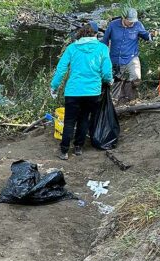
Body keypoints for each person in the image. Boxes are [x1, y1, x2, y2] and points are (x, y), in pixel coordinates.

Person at [50, 21, 113, 160]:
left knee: (69, 121)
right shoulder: (102, 49)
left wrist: (54, 86)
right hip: (92, 92)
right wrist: (109, 80)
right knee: (84, 119)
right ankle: (78, 147)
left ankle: (64, 151)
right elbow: (106, 72)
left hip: (73, 91)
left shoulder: (72, 48)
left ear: (82, 32)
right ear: (96, 34)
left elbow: (61, 70)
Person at [101, 7, 154, 100]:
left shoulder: (138, 25)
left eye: (133, 20)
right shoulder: (113, 25)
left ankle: (131, 99)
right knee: (116, 82)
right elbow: (105, 41)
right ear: (123, 18)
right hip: (115, 58)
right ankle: (116, 102)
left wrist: (151, 35)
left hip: (131, 57)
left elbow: (145, 35)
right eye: (130, 21)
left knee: (136, 77)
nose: (132, 23)